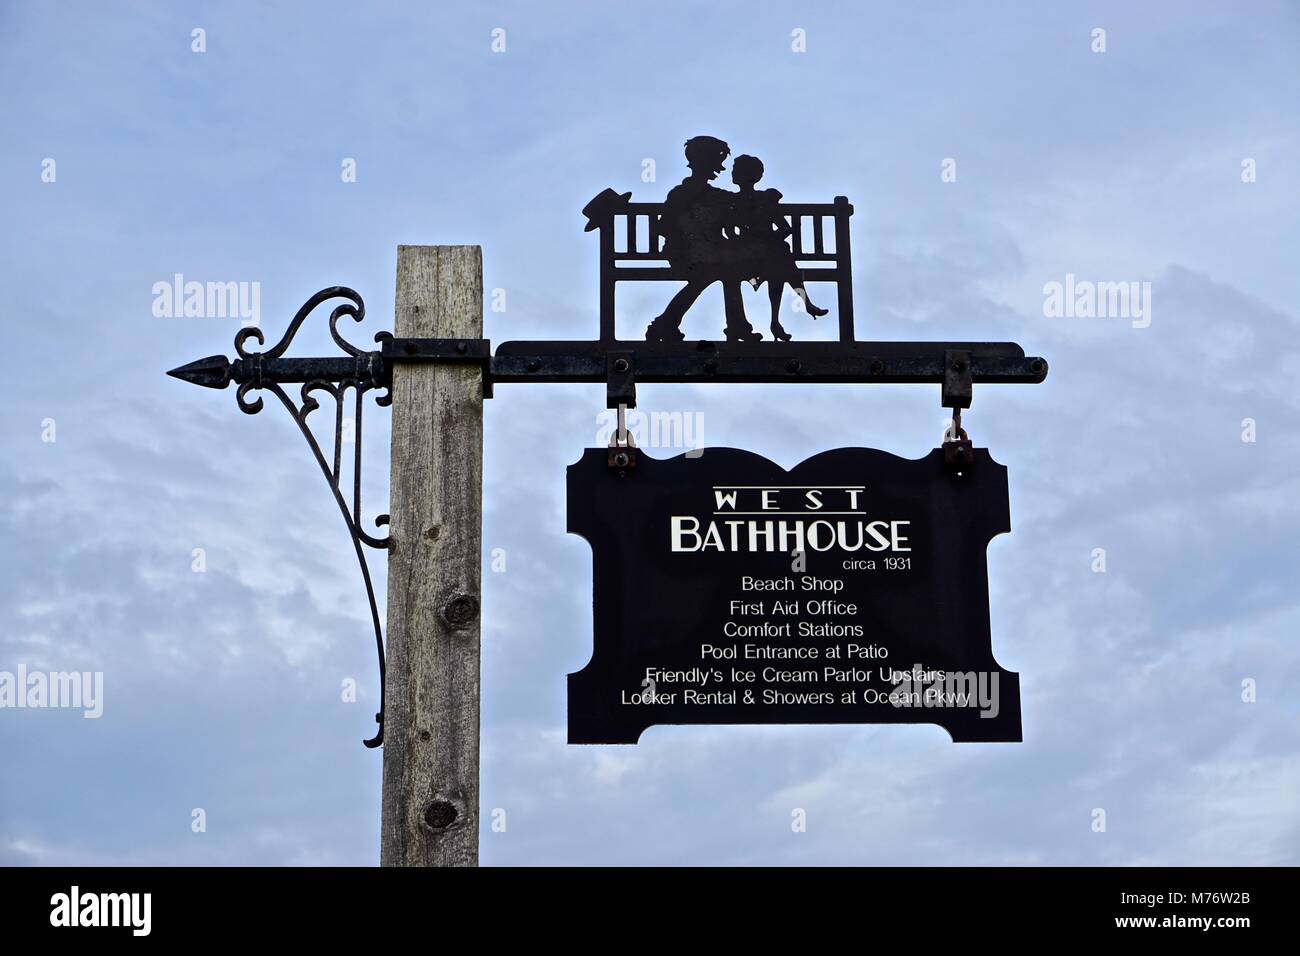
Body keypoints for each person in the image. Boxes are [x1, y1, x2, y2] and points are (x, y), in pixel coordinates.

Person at [645, 136, 762, 342]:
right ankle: (667, 323)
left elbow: (739, 207)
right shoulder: (683, 194)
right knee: (718, 273)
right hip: (685, 257)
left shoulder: (712, 194)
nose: (722, 168)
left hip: (706, 258)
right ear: (705, 161)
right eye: (718, 161)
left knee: (725, 273)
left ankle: (667, 323)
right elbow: (665, 226)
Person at [728, 154, 829, 342]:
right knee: (779, 264)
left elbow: (784, 228)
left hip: (767, 253)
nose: (732, 173)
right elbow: (728, 230)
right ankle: (797, 308)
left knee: (777, 263)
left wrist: (765, 239)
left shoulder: (764, 200)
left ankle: (779, 319)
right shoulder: (732, 201)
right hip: (747, 256)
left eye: (736, 170)